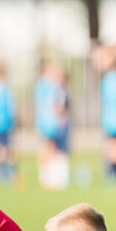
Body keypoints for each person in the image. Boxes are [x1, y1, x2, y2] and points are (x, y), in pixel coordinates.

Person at [33, 62, 71, 190]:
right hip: (50, 123)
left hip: (45, 122)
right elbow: (55, 106)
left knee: (48, 148)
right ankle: (48, 177)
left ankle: (47, 177)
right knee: (50, 149)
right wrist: (61, 116)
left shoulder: (42, 86)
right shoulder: (50, 87)